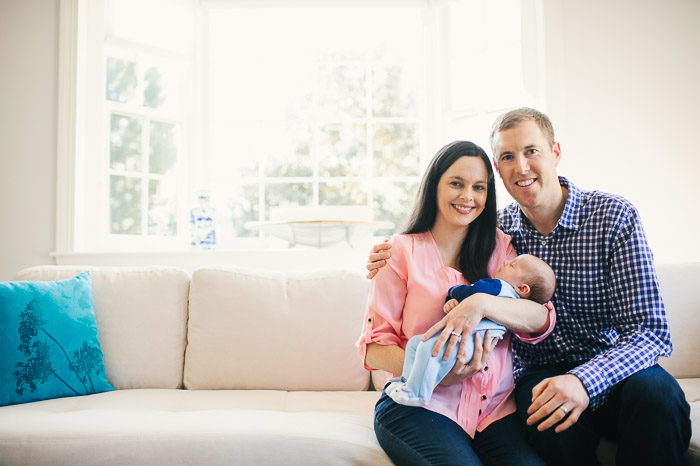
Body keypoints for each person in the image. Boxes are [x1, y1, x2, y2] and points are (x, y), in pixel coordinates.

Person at [365, 108, 692, 465]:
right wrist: (392, 253)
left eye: (531, 151)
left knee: (659, 395)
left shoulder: (609, 217)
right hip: (537, 377)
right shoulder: (498, 233)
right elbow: (377, 339)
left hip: (609, 369)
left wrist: (583, 380)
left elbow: (649, 332)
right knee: (540, 412)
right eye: (507, 156)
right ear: (498, 168)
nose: (520, 167)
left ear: (555, 153)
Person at [357, 140, 555, 465]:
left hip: (494, 413)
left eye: (479, 187)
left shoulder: (502, 249)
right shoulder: (398, 253)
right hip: (421, 407)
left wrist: (480, 304)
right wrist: (435, 372)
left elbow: (540, 318)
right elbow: (374, 347)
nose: (468, 197)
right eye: (456, 184)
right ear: (434, 185)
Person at [386, 254, 556, 408]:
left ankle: (416, 394)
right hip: (472, 348)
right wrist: (458, 303)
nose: (505, 261)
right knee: (416, 343)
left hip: (463, 341)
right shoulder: (513, 305)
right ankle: (406, 382)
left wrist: (453, 293)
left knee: (424, 348)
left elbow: (471, 291)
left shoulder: (497, 286)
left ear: (523, 288)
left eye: (512, 265)